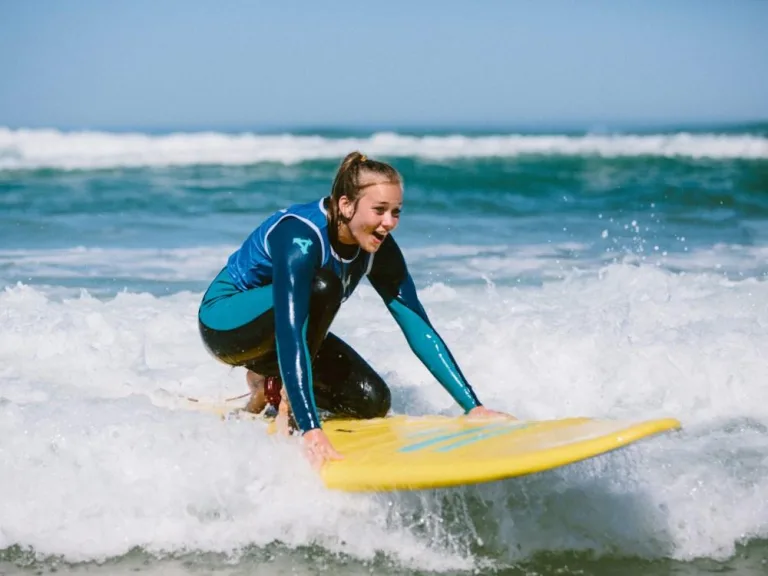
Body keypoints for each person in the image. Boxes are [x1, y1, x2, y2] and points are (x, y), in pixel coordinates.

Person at [198, 151, 510, 468]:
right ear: (346, 205)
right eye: (379, 210)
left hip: (285, 335)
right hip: (226, 326)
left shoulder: (378, 247)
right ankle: (284, 398)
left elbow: (417, 325)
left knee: (372, 401)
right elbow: (292, 333)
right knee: (323, 286)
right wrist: (310, 428)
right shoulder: (300, 236)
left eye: (396, 212)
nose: (388, 223)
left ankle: (266, 384)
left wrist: (473, 407)